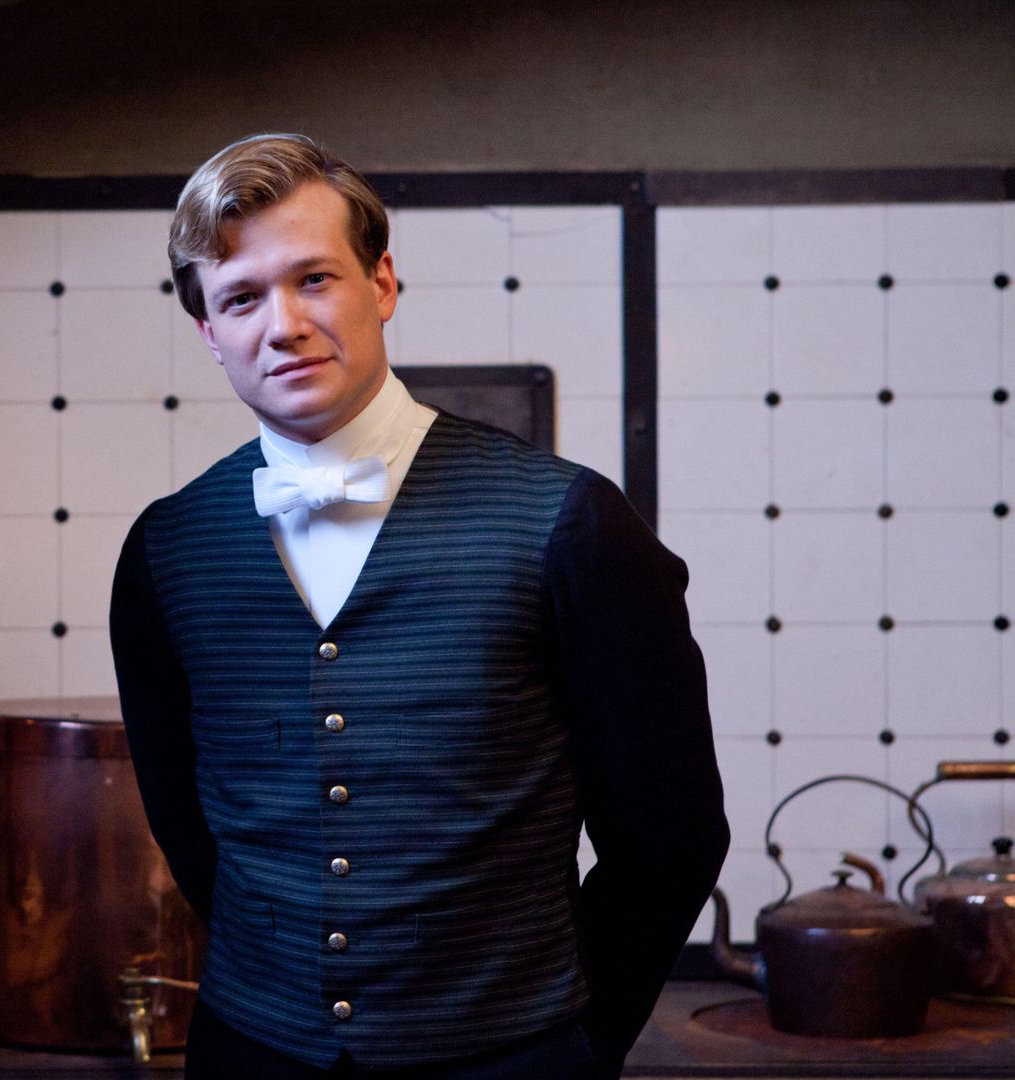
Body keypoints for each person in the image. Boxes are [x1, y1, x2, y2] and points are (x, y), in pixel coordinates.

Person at [109, 133, 728, 1080]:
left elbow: (672, 830)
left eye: (314, 279)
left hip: (515, 1056)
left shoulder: (572, 523)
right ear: (208, 332)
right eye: (241, 297)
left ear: (382, 283)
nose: (282, 325)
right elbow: (189, 827)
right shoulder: (165, 550)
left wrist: (576, 1040)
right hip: (249, 1054)